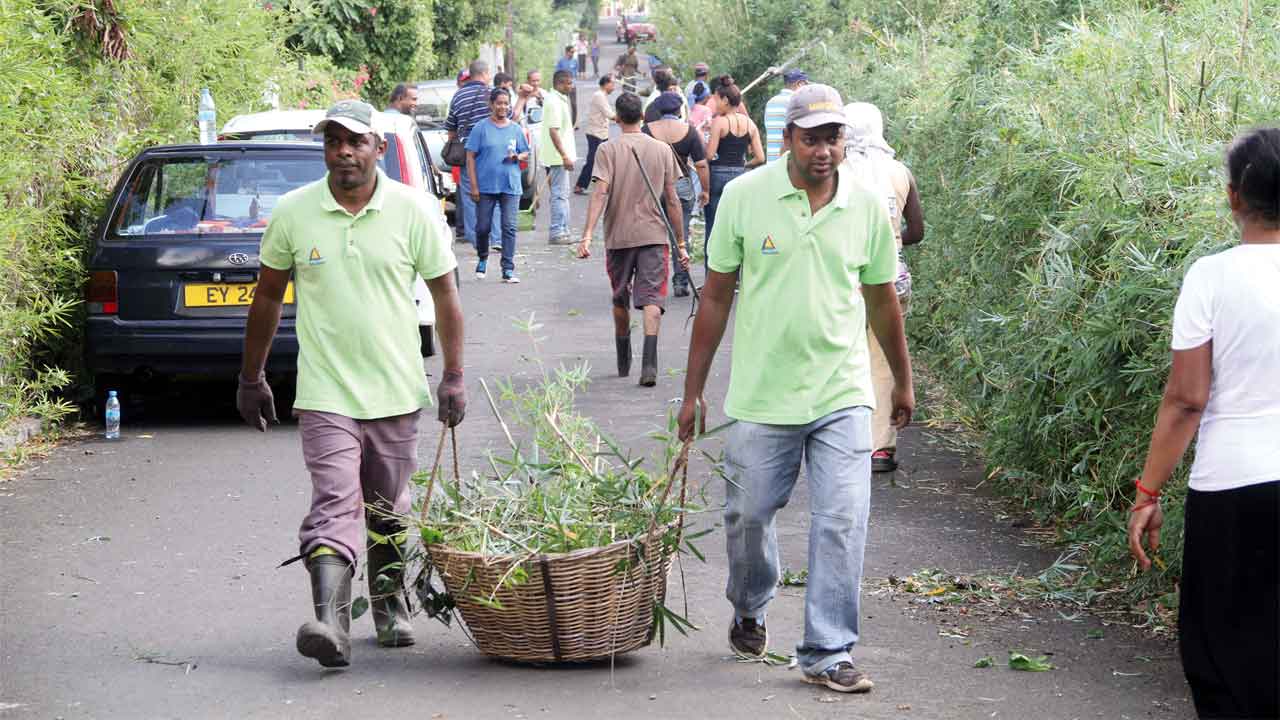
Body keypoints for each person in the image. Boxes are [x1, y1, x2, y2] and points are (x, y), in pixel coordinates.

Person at [677, 84, 912, 694]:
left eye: (833, 137)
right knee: (748, 514)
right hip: (762, 394)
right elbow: (717, 296)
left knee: (842, 519)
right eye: (812, 138)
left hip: (841, 392)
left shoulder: (864, 205)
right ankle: (751, 602)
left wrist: (902, 383)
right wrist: (692, 391)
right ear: (788, 140)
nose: (824, 150)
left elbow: (883, 300)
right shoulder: (745, 197)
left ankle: (828, 651)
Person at [236, 99, 467, 668]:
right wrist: (251, 376)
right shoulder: (294, 212)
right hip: (325, 392)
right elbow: (267, 295)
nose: (343, 151)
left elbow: (446, 297)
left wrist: (454, 377)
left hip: (396, 388)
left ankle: (388, 605)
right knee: (335, 502)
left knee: (388, 509)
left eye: (355, 141)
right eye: (333, 141)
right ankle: (331, 624)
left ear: (377, 148)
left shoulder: (413, 211)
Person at [1128, 128, 1280, 720]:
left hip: (1233, 485)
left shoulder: (1212, 277)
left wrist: (1147, 491)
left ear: (1234, 197)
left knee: (1224, 649)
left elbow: (1187, 399)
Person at [575, 92, 690, 386]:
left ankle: (623, 357)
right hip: (654, 235)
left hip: (618, 236)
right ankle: (649, 364)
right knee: (652, 299)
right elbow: (673, 200)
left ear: (617, 118)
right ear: (643, 117)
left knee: (619, 296)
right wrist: (680, 242)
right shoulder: (662, 150)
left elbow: (599, 192)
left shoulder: (607, 150)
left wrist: (587, 234)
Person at [841, 102, 923, 474]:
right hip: (892, 277)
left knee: (844, 358)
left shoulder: (835, 171)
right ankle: (881, 448)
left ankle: (845, 441)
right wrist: (892, 243)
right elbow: (917, 231)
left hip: (845, 280)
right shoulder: (899, 172)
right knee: (884, 360)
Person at [644, 92, 708, 298]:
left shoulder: (647, 130)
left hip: (654, 186)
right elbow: (701, 164)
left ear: (659, 111)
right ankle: (681, 281)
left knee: (654, 234)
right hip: (680, 185)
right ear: (679, 110)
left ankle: (654, 280)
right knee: (681, 234)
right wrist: (705, 189)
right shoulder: (689, 132)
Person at [466, 87, 530, 283]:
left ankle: (508, 269)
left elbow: (526, 152)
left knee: (509, 227)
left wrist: (517, 156)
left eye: (505, 103)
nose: (503, 107)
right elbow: (470, 156)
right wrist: (474, 186)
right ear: (491, 104)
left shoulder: (515, 129)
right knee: (483, 227)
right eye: (499, 103)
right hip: (485, 187)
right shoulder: (481, 128)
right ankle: (483, 257)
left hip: (510, 185)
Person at [703, 76, 764, 265]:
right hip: (740, 175)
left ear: (725, 100)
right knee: (739, 226)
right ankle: (739, 275)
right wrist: (742, 165)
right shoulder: (750, 124)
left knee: (713, 227)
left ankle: (711, 275)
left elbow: (710, 154)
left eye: (716, 99)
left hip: (718, 176)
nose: (714, 103)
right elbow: (760, 158)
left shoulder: (719, 122)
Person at [444, 60, 493, 248]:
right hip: (491, 151)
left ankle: (476, 240)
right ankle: (494, 237)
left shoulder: (458, 96)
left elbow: (451, 128)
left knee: (470, 195)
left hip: (466, 153)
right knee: (492, 194)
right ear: (485, 73)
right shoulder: (491, 94)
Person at [540, 69, 577, 244]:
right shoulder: (554, 101)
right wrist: (564, 155)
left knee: (562, 194)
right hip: (557, 158)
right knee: (559, 195)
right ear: (560, 83)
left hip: (560, 156)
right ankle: (557, 231)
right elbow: (553, 131)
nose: (571, 86)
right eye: (569, 83)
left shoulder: (559, 99)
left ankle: (564, 230)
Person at [577, 74, 616, 195]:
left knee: (603, 161)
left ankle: (602, 185)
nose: (614, 87)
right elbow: (610, 115)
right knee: (593, 161)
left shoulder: (602, 95)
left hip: (601, 133)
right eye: (613, 84)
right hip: (595, 133)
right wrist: (628, 117)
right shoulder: (599, 96)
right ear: (606, 84)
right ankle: (580, 185)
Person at [763, 70, 807, 163]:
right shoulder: (797, 102)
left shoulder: (771, 102)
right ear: (799, 84)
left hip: (771, 162)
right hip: (788, 164)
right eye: (805, 85)